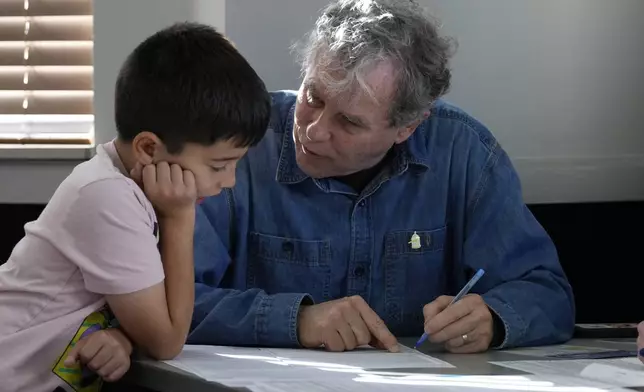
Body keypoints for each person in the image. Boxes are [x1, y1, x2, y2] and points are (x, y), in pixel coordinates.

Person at [189, 0, 575, 354]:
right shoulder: (239, 146)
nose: (313, 131)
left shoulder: (464, 153)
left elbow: (548, 293)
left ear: (407, 127)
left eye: (349, 122)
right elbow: (168, 303)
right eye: (314, 98)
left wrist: (491, 319)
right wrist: (296, 320)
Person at [0, 22, 270, 392]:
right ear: (148, 148)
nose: (229, 182)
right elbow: (167, 341)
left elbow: (137, 311)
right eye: (219, 165)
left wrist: (123, 339)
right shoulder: (107, 197)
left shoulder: (129, 186)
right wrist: (180, 218)